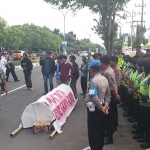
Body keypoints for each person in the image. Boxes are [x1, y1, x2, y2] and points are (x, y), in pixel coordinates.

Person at [85, 60, 111, 150]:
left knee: (94, 132)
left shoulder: (93, 81)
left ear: (91, 69)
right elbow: (108, 94)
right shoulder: (104, 79)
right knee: (101, 129)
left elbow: (93, 96)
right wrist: (106, 105)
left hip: (95, 110)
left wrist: (101, 107)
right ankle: (100, 147)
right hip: (103, 107)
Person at [100, 55, 120, 145]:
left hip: (109, 97)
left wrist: (116, 95)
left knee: (108, 118)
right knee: (108, 117)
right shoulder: (108, 70)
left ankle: (109, 137)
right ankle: (108, 134)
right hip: (110, 96)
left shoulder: (108, 72)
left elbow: (112, 86)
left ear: (103, 63)